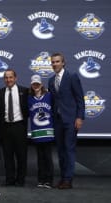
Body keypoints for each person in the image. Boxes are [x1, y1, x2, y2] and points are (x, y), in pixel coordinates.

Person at [48, 53, 85, 189]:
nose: (55, 64)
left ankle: (68, 180)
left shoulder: (72, 76)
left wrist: (80, 117)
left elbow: (80, 98)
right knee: (61, 151)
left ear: (63, 63)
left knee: (69, 150)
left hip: (70, 119)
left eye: (57, 61)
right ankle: (63, 178)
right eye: (53, 62)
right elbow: (52, 102)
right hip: (57, 121)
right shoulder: (51, 81)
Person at [0, 69, 28, 187]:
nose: (8, 80)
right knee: (7, 156)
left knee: (21, 155)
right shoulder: (0, 92)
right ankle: (9, 179)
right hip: (6, 127)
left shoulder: (24, 91)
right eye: (6, 78)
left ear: (15, 78)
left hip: (19, 126)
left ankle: (20, 179)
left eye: (11, 77)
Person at [28, 74, 54, 189]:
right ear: (31, 85)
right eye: (34, 84)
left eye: (37, 83)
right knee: (40, 158)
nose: (36, 85)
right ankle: (41, 179)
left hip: (48, 131)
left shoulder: (49, 96)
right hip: (37, 132)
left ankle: (49, 180)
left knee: (48, 157)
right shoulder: (29, 98)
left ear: (41, 84)